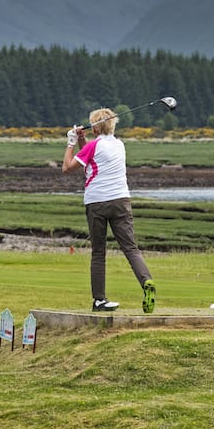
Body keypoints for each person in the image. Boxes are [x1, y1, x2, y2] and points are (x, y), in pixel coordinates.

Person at [62, 108, 156, 313]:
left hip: (97, 202)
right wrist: (82, 140)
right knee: (131, 248)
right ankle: (146, 281)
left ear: (95, 127)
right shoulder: (119, 145)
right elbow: (91, 160)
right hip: (121, 201)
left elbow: (67, 167)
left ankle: (99, 300)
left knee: (98, 252)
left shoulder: (93, 146)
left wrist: (71, 142)